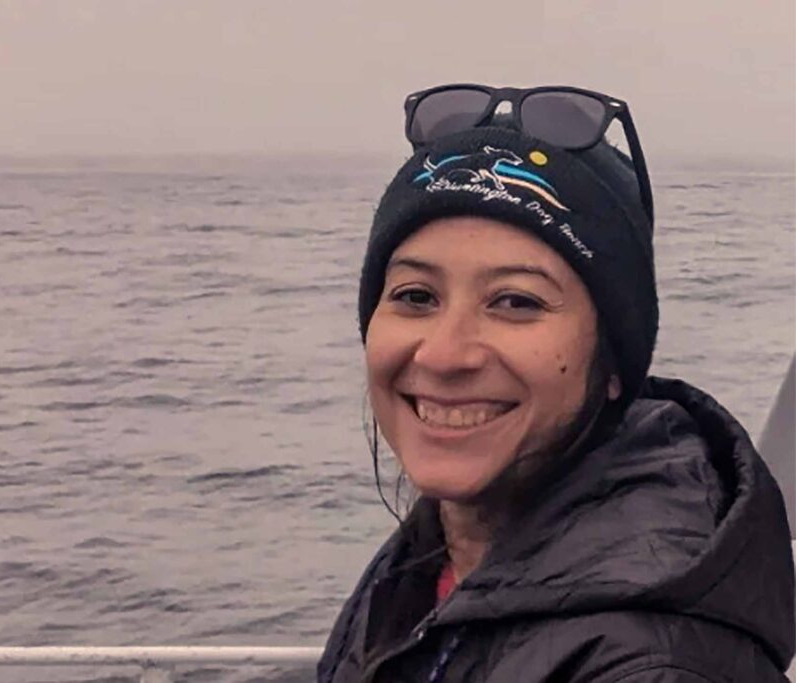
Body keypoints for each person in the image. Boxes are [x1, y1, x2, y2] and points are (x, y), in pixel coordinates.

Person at [317, 85, 795, 682]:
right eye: (416, 296)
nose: (444, 354)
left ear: (614, 364)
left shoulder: (656, 665)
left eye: (516, 301)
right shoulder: (437, 557)